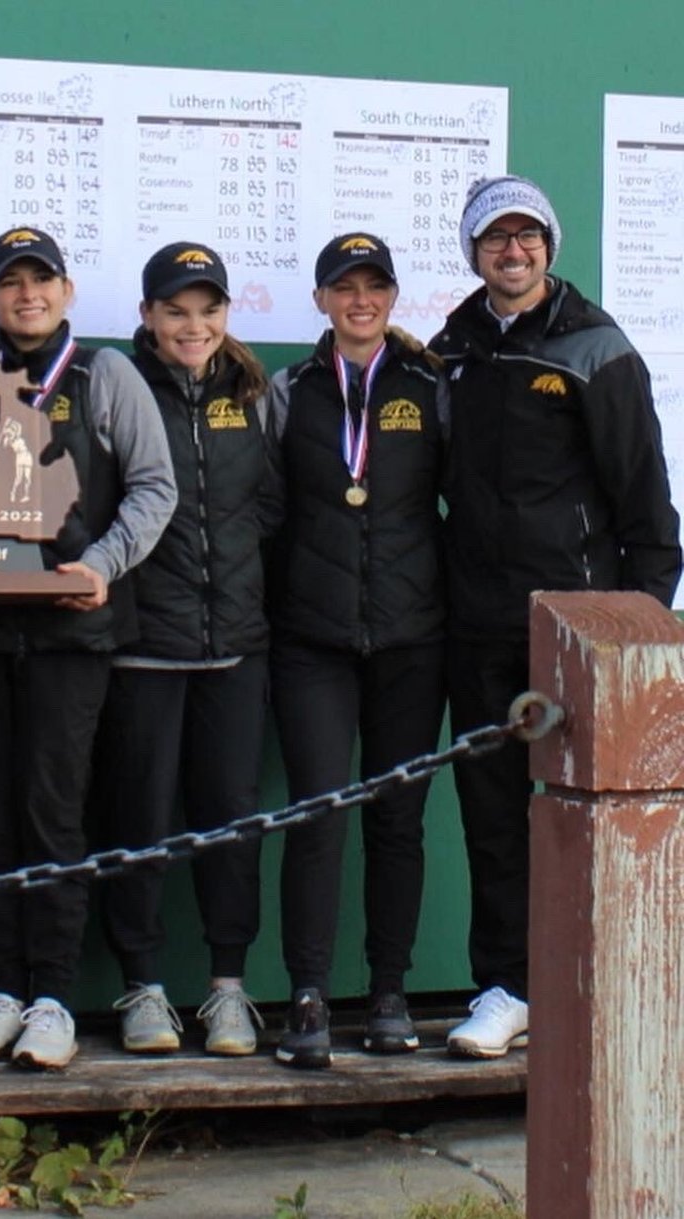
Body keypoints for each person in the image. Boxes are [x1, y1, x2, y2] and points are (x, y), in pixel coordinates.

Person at [432, 176, 680, 1057]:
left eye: (527, 236)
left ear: (548, 246)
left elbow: (645, 496)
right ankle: (507, 988)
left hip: (581, 629)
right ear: (473, 251)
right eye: (496, 238)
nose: (514, 251)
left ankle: (603, 982)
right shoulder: (451, 350)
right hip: (478, 627)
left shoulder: (594, 347)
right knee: (494, 817)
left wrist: (642, 627)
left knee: (594, 814)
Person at [0, 227, 176, 1070]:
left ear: (68, 291)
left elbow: (156, 487)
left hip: (72, 635)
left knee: (52, 811)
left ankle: (52, 997)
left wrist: (101, 565)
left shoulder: (104, 373)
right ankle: (2, 986)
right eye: (10, 283)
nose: (26, 295)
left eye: (41, 280)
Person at [93, 242, 279, 1059]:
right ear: (148, 318)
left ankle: (228, 989)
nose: (193, 326)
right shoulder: (118, 386)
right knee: (137, 821)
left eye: (208, 311)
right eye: (176, 311)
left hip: (237, 646)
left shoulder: (253, 394)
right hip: (144, 646)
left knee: (229, 823)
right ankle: (143, 987)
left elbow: (270, 506)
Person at [267, 234, 448, 1068]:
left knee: (398, 822)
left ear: (393, 297)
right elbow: (262, 510)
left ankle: (388, 989)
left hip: (412, 636)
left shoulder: (428, 387)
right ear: (322, 299)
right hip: (313, 639)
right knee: (315, 815)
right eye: (345, 286)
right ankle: (306, 991)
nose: (361, 299)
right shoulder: (289, 392)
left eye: (375, 285)